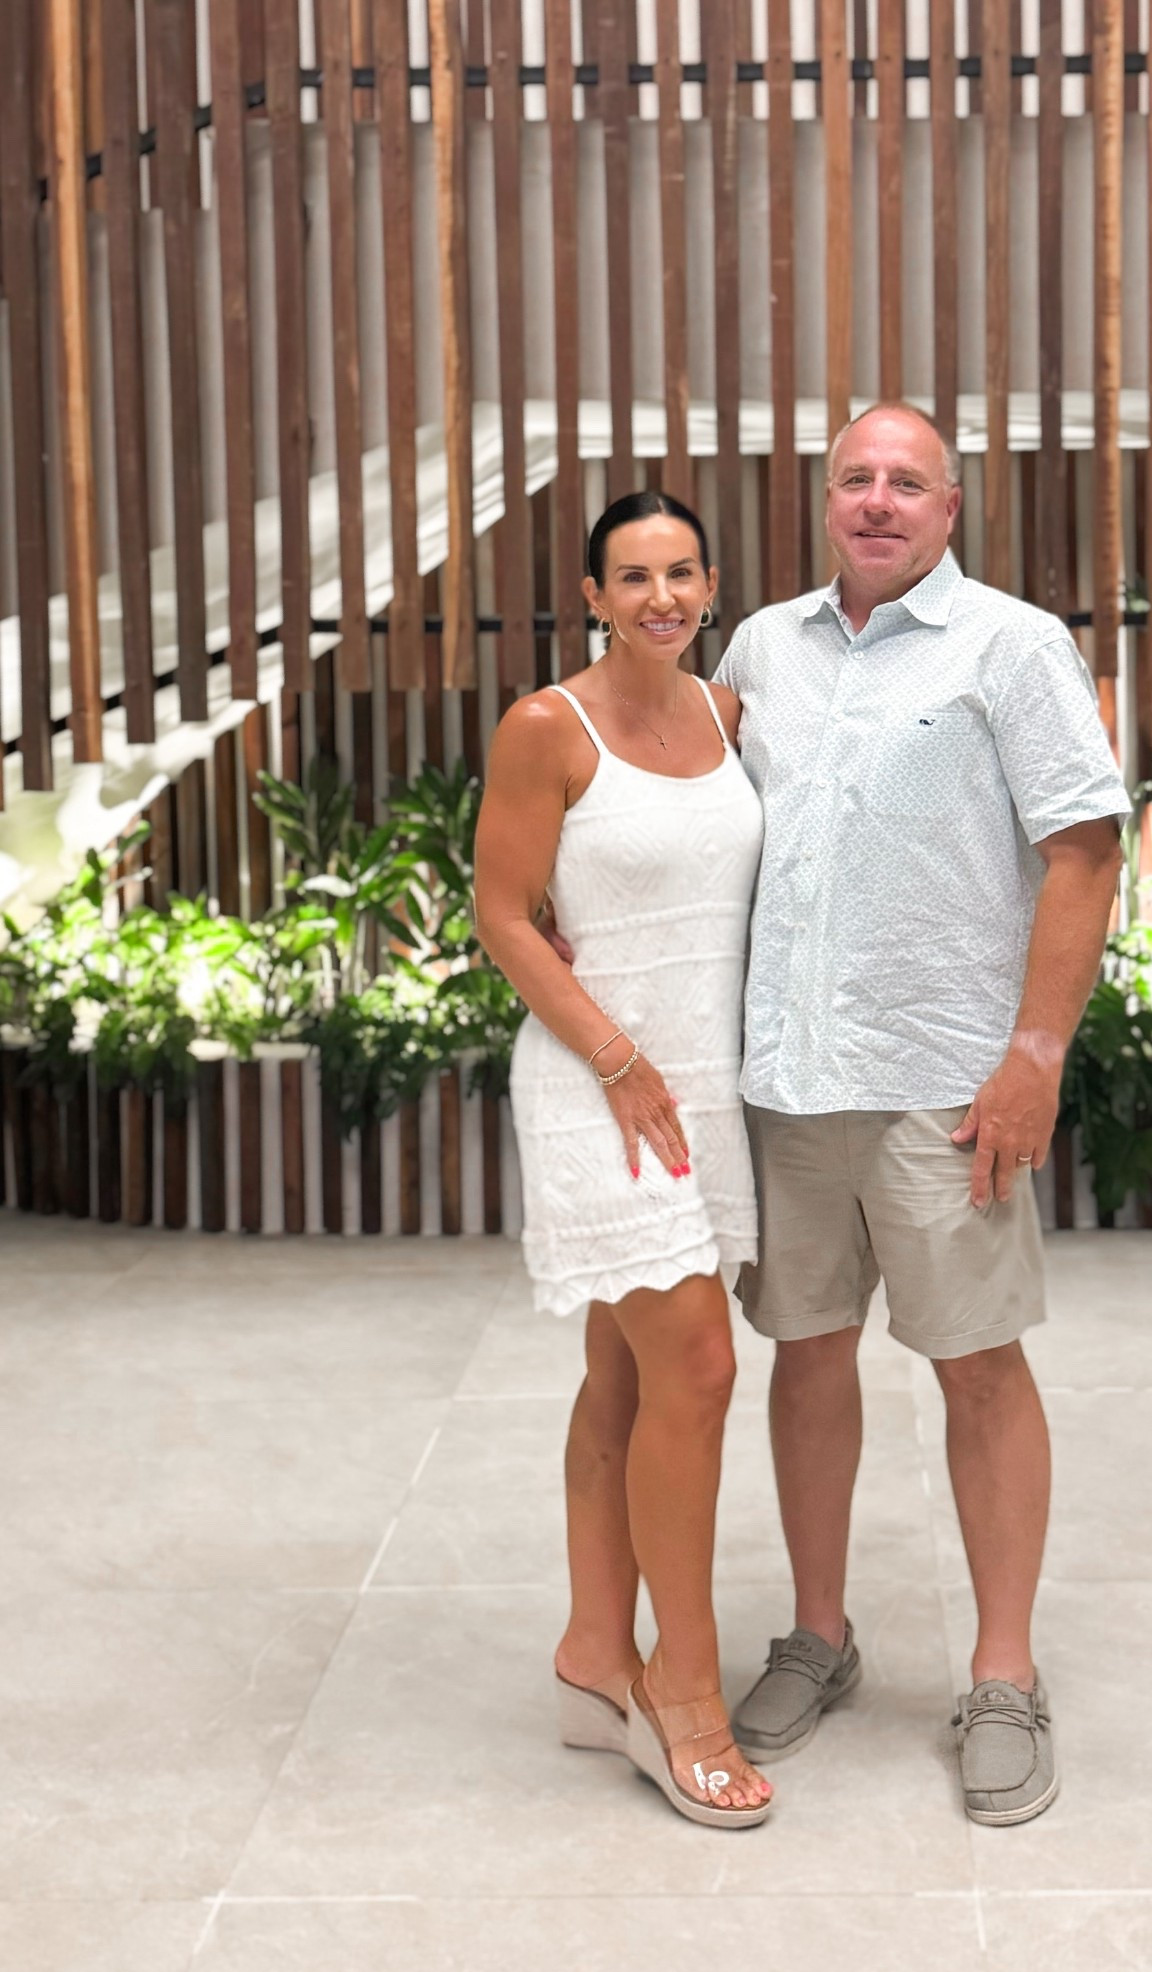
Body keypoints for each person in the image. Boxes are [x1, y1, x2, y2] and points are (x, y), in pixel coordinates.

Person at [717, 402, 1127, 1825]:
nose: (879, 502)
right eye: (856, 482)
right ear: (825, 502)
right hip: (790, 1079)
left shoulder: (1010, 645)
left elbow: (1083, 849)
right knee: (807, 1359)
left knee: (980, 1371)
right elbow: (698, 825)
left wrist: (1036, 1052)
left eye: (908, 484)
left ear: (951, 509)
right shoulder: (761, 648)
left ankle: (1003, 1674)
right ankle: (819, 1636)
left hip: (948, 1086)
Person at [473, 491, 772, 1829]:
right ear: (590, 595)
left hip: (704, 1085)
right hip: (604, 1084)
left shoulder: (728, 716)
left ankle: (593, 1650)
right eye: (632, 576)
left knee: (625, 1369)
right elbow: (501, 908)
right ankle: (681, 1691)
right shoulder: (549, 724)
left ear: (710, 585)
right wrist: (614, 1057)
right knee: (698, 1364)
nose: (661, 594)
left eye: (682, 571)